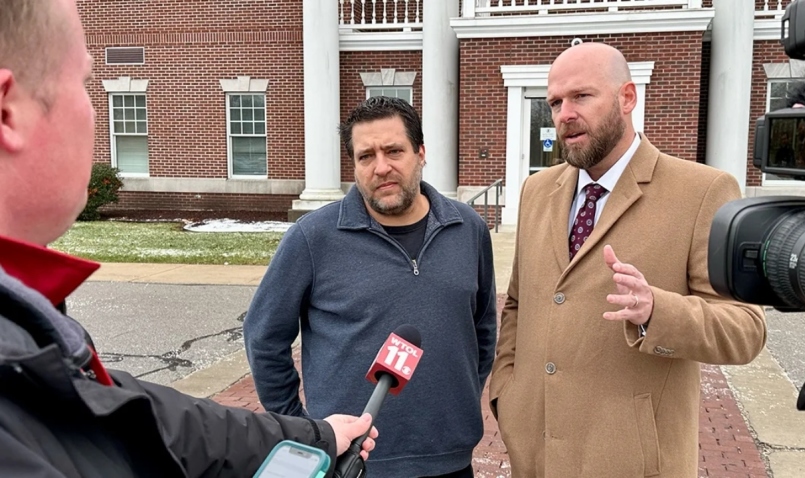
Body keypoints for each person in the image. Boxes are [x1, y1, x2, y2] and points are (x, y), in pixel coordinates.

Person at [0, 1, 377, 476]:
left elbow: (133, 410)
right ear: (8, 112)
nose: (93, 113)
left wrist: (312, 438)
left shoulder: (24, 329)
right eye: (82, 83)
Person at [488, 42, 767, 477]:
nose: (564, 114)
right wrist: (508, 393)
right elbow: (520, 304)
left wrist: (658, 310)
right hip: (535, 453)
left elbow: (746, 329)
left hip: (631, 461)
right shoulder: (536, 190)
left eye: (581, 96)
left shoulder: (702, 192)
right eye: (555, 102)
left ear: (627, 98)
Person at [243, 96, 497, 478]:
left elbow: (482, 330)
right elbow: (264, 337)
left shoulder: (468, 229)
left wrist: (456, 404)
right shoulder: (313, 238)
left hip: (449, 460)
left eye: (394, 151)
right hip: (352, 463)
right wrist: (305, 429)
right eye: (366, 156)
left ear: (421, 152)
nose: (381, 167)